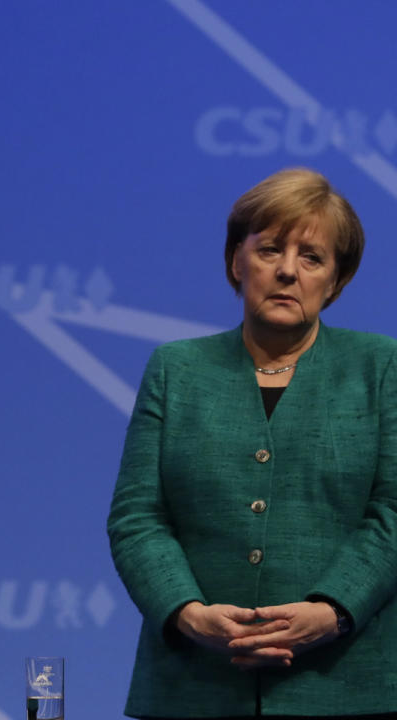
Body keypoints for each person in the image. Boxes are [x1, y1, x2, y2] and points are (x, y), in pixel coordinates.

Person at [107, 168, 397, 719]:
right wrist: (188, 613)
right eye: (269, 249)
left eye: (312, 257)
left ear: (336, 280)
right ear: (236, 261)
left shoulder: (381, 367)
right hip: (192, 688)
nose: (288, 270)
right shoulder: (176, 369)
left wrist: (332, 610)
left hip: (347, 689)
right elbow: (137, 518)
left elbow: (395, 512)